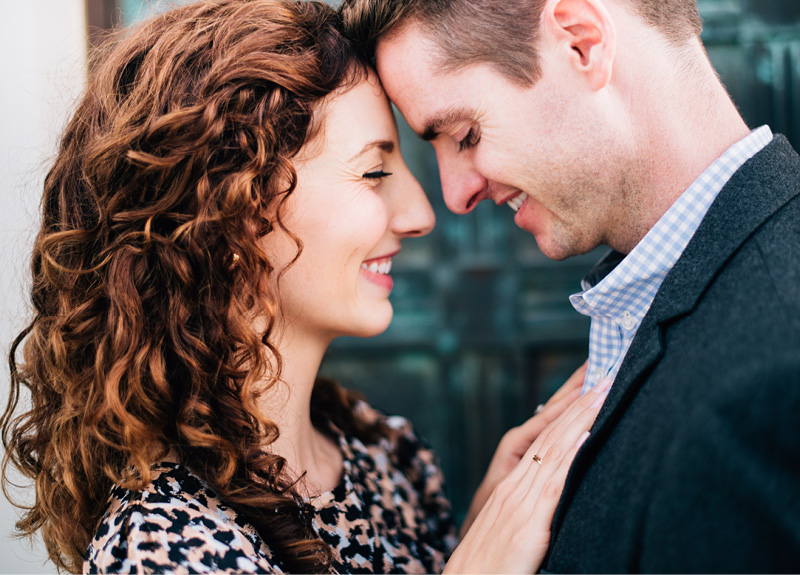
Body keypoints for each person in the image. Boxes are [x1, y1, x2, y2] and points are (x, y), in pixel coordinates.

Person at [1, 1, 608, 574]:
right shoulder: (164, 546)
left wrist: (480, 532)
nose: (422, 213)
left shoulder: (386, 455)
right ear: (233, 210)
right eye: (374, 172)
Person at [341, 0, 800, 572]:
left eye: (464, 134)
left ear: (581, 42)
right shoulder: (686, 304)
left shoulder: (770, 384)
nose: (455, 195)